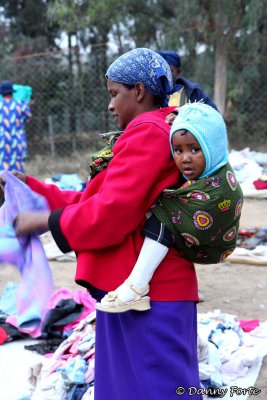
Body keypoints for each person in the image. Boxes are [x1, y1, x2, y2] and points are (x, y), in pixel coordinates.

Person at [5, 48, 203, 399]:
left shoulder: (149, 132)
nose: (111, 106)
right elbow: (94, 199)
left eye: (115, 94)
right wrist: (32, 188)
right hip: (133, 292)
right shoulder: (154, 130)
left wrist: (47, 220)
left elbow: (112, 212)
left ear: (139, 92)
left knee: (156, 390)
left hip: (150, 296)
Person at [96, 102, 243, 313]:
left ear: (214, 147)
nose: (185, 159)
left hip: (211, 244)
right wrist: (181, 114)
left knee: (162, 217)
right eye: (178, 150)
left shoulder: (219, 191)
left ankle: (137, 286)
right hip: (184, 269)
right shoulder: (204, 172)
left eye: (195, 149)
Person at [0, 80, 32, 172]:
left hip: (1, 141)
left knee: (2, 169)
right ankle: (17, 185)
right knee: (17, 169)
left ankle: (2, 185)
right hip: (17, 141)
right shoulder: (21, 105)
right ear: (12, 93)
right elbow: (28, 118)